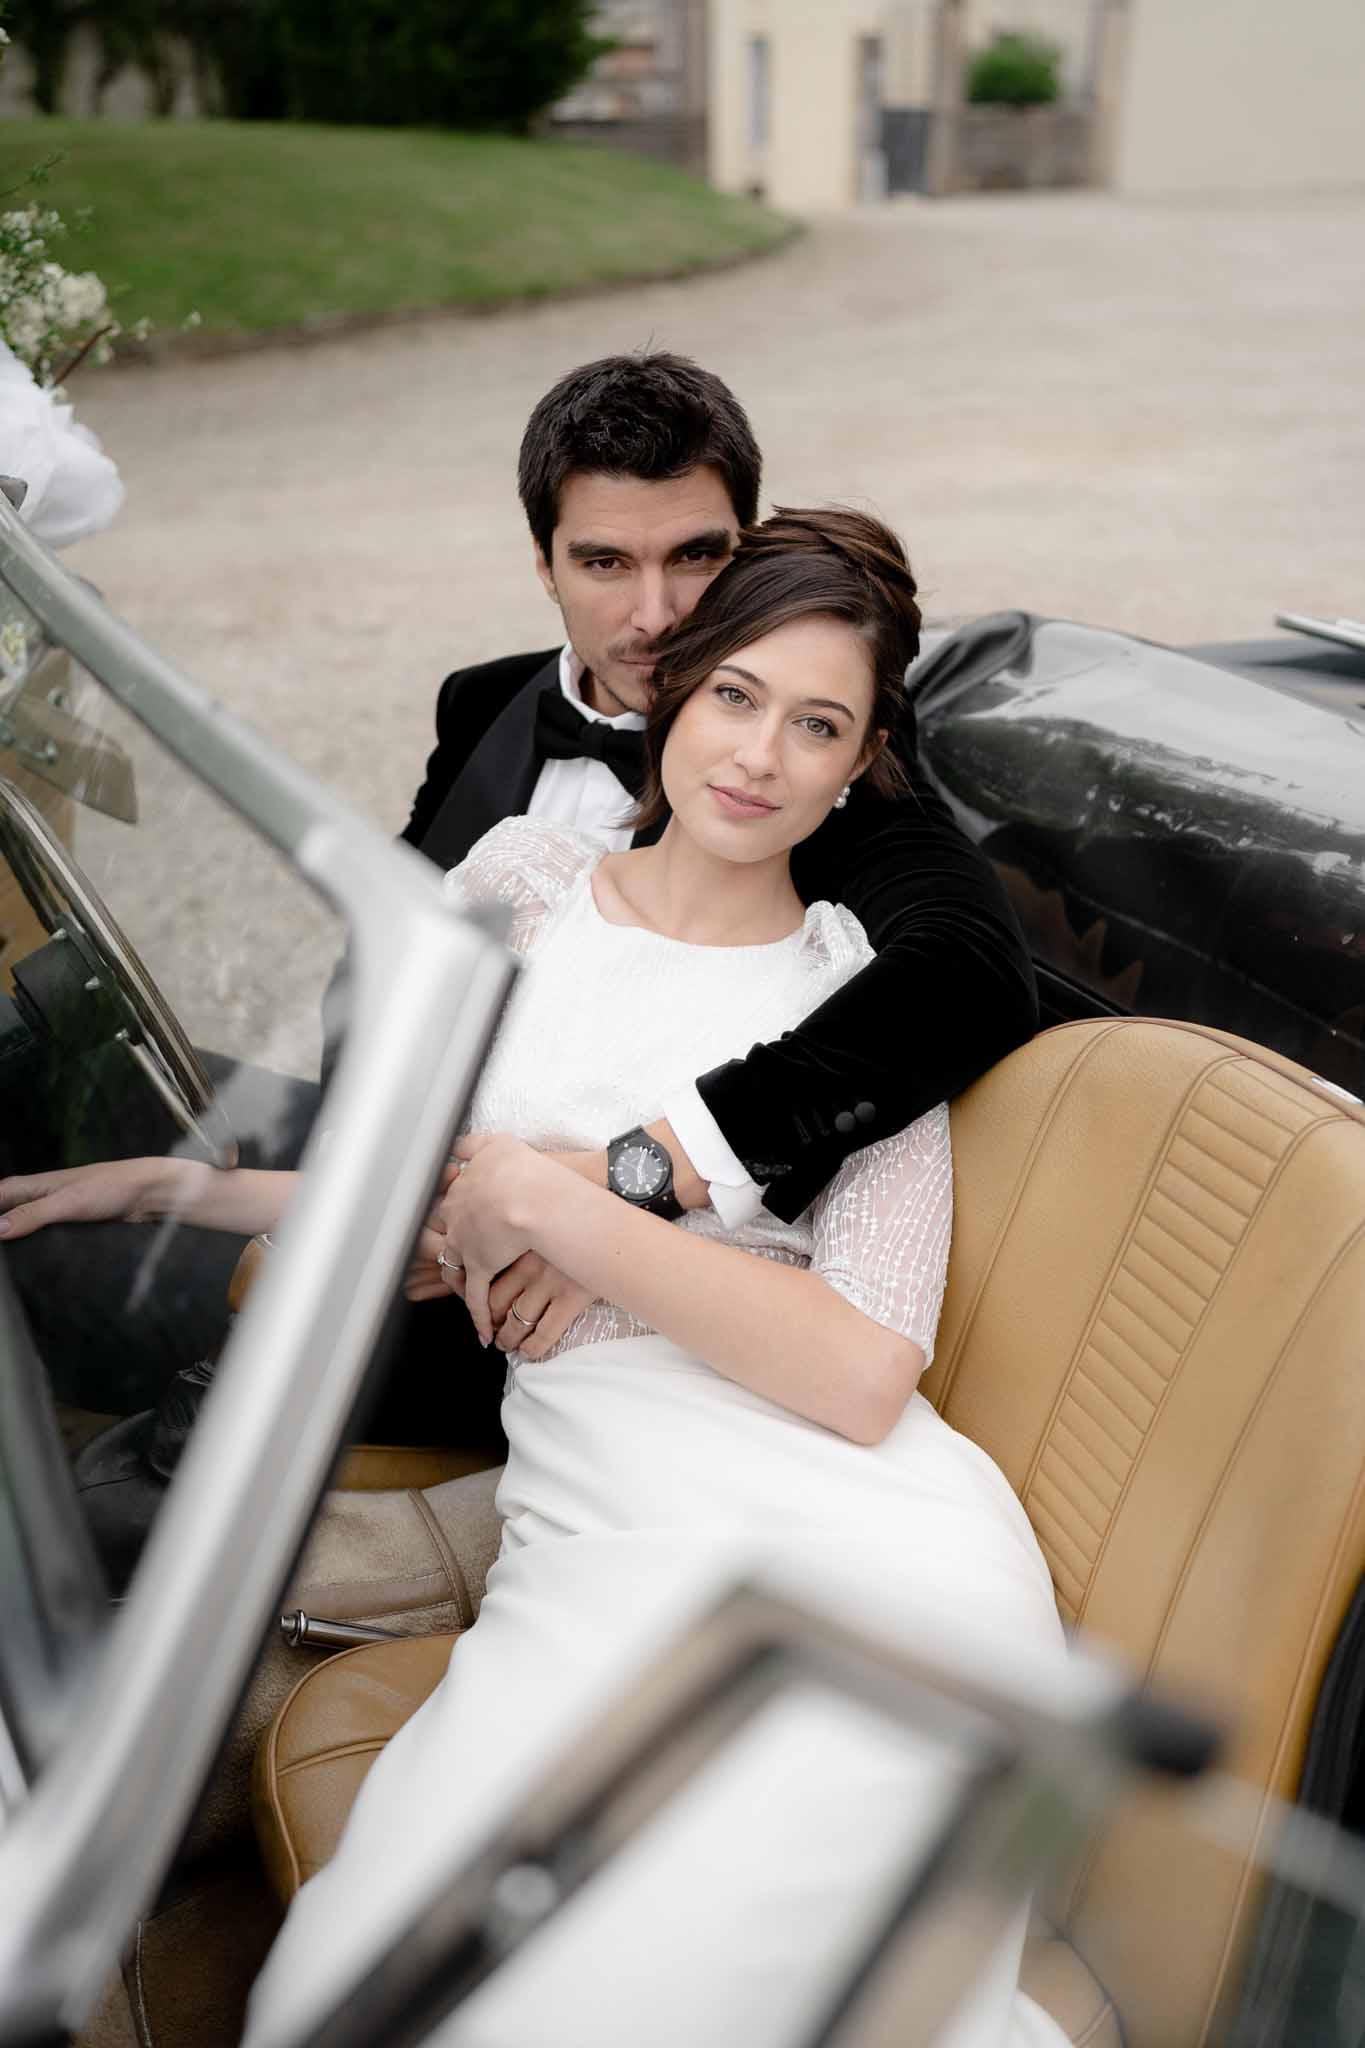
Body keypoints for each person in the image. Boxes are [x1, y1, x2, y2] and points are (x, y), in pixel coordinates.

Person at [3, 511, 1068, 2047]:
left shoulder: (854, 985)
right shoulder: (523, 880)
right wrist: (181, 1182)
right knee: (372, 1984)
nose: (761, 755)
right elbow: (440, 1201)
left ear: (859, 767)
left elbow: (857, 1371)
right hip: (589, 1516)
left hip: (864, 1540)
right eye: (736, 697)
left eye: (817, 725)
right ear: (675, 696)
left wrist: (574, 1218)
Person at [2, 349, 1036, 1456]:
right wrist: (340, 1175)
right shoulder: (486, 705)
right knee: (50, 1098)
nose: (654, 614)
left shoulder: (819, 771)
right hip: (412, 1164)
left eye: (696, 556)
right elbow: (391, 950)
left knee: (59, 1299)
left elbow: (968, 978)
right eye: (603, 561)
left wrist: (617, 1190)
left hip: (552, 1322)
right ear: (543, 564)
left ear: (746, 548)